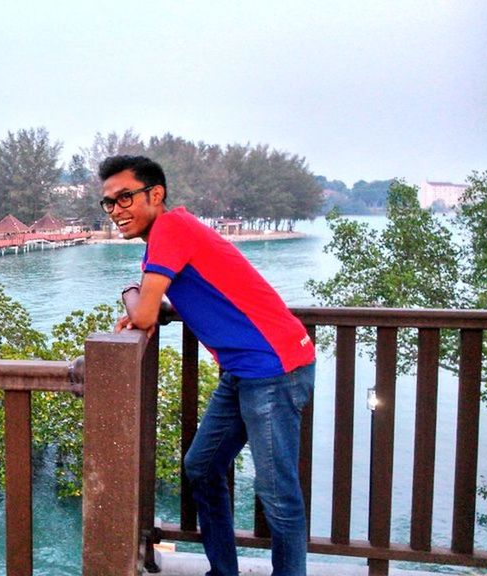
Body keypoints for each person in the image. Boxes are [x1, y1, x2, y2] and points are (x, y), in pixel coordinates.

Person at [99, 155, 316, 576]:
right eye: (109, 203)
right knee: (201, 467)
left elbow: (144, 313)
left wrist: (131, 294)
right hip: (244, 371)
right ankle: (223, 571)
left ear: (155, 194)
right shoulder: (164, 237)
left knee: (278, 493)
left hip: (275, 368)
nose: (116, 210)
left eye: (125, 197)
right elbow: (151, 304)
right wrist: (140, 299)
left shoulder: (171, 228)